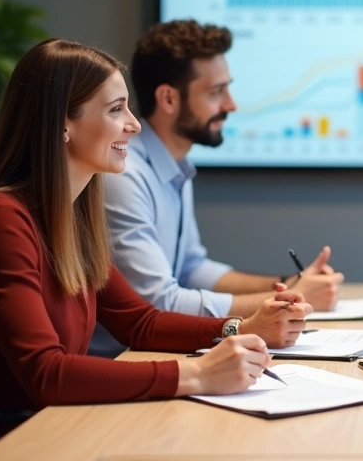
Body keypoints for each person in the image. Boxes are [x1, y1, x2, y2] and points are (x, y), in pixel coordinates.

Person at [0, 40, 311, 461]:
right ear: (62, 124)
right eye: (115, 110)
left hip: (49, 432)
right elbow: (46, 373)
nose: (135, 125)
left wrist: (240, 327)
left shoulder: (72, 216)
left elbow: (139, 323)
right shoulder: (2, 220)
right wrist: (197, 373)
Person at [89, 19, 343, 358]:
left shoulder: (174, 166)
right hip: (120, 361)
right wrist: (278, 303)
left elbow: (192, 266)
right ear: (168, 99)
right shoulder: (125, 174)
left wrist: (286, 285)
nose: (231, 104)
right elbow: (159, 301)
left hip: (156, 352)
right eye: (215, 92)